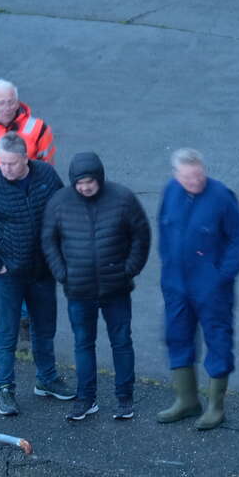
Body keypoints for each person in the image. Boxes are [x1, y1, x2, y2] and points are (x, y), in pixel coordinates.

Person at [0, 132, 71, 417]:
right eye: (2, 163)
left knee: (44, 327)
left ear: (26, 158)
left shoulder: (46, 176)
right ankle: (3, 387)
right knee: (7, 331)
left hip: (42, 270)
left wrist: (58, 255)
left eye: (12, 163)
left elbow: (62, 211)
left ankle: (46, 379)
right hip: (8, 273)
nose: (6, 169)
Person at [42, 151, 151, 422]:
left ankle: (124, 398)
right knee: (83, 344)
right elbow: (48, 240)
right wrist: (62, 273)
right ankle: (85, 399)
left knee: (121, 342)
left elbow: (141, 236)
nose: (85, 187)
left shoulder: (123, 199)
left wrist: (129, 270)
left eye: (89, 181)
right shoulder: (59, 202)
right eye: (79, 182)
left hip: (116, 289)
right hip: (79, 290)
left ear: (99, 178)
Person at [156, 148, 239, 430]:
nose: (194, 181)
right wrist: (168, 266)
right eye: (187, 177)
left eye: (198, 174)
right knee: (177, 336)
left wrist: (221, 277)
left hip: (211, 289)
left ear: (204, 170)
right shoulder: (170, 192)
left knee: (218, 340)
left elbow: (238, 239)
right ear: (176, 175)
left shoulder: (221, 197)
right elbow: (163, 228)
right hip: (176, 285)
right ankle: (187, 400)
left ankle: (215, 407)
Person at [0, 79, 55, 344]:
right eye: (1, 102)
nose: (6, 107)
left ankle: (25, 331)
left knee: (24, 272)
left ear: (18, 101)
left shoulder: (38, 129)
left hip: (26, 214)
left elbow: (47, 167)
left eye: (11, 101)